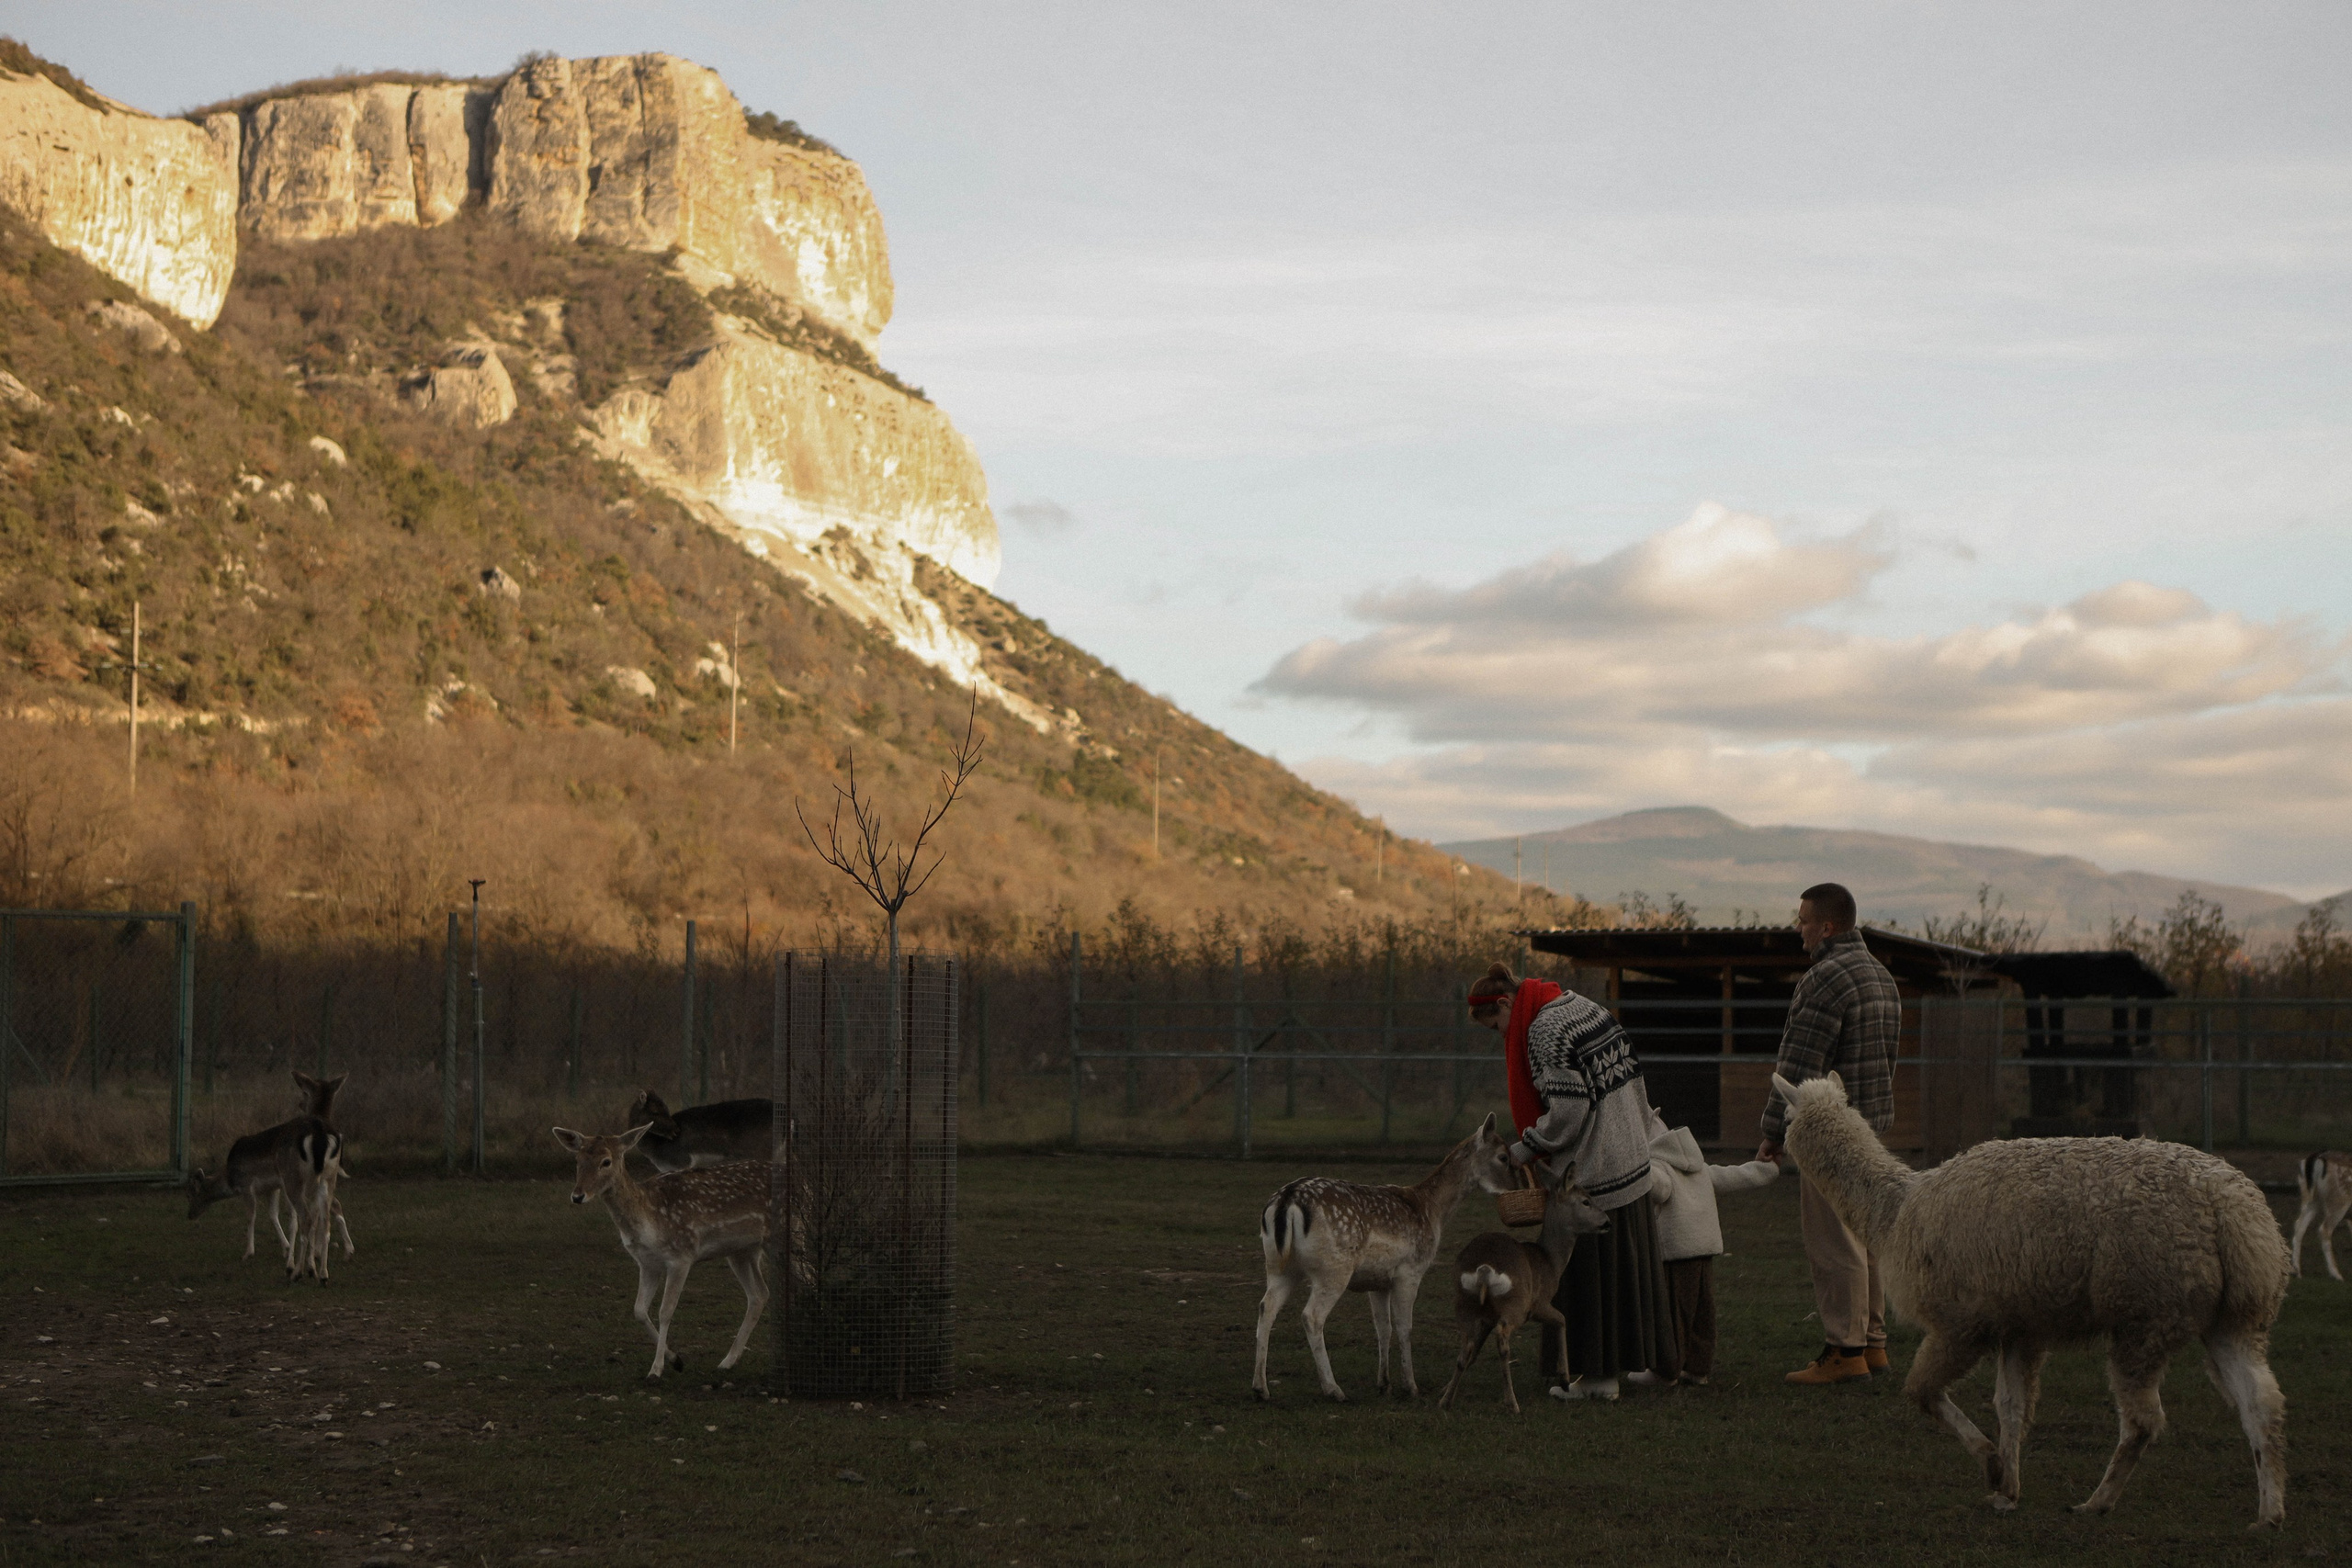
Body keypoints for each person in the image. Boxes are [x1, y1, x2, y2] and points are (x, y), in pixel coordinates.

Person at [1468, 961, 1676, 1401]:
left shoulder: (1544, 1031)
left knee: (1589, 1276)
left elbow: (1569, 1111)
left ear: (1506, 1003)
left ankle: (1598, 1378)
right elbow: (1632, 1078)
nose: (1503, 1036)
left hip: (1593, 1172)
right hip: (1630, 1156)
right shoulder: (1581, 1006)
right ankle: (1658, 1363)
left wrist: (1526, 1147)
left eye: (1497, 1026)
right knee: (1634, 1272)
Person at [1756, 881, 1902, 1385]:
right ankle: (1875, 1344)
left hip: (1830, 1135)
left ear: (1827, 926)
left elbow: (1798, 1065)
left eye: (1802, 920)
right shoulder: (1881, 976)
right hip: (1870, 1131)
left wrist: (1774, 1131)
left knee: (1834, 1241)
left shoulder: (1824, 978)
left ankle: (1845, 1351)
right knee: (1868, 1238)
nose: (1797, 930)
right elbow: (1888, 1060)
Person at [1637, 1103, 1779, 1386]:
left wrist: (1635, 1171)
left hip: (1676, 1253)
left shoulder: (1659, 1167)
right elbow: (1732, 1176)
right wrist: (1768, 1170)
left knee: (1674, 1313)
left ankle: (1666, 1371)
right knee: (1703, 1312)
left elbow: (1660, 1190)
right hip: (1705, 1250)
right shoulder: (1698, 1168)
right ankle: (1697, 1368)